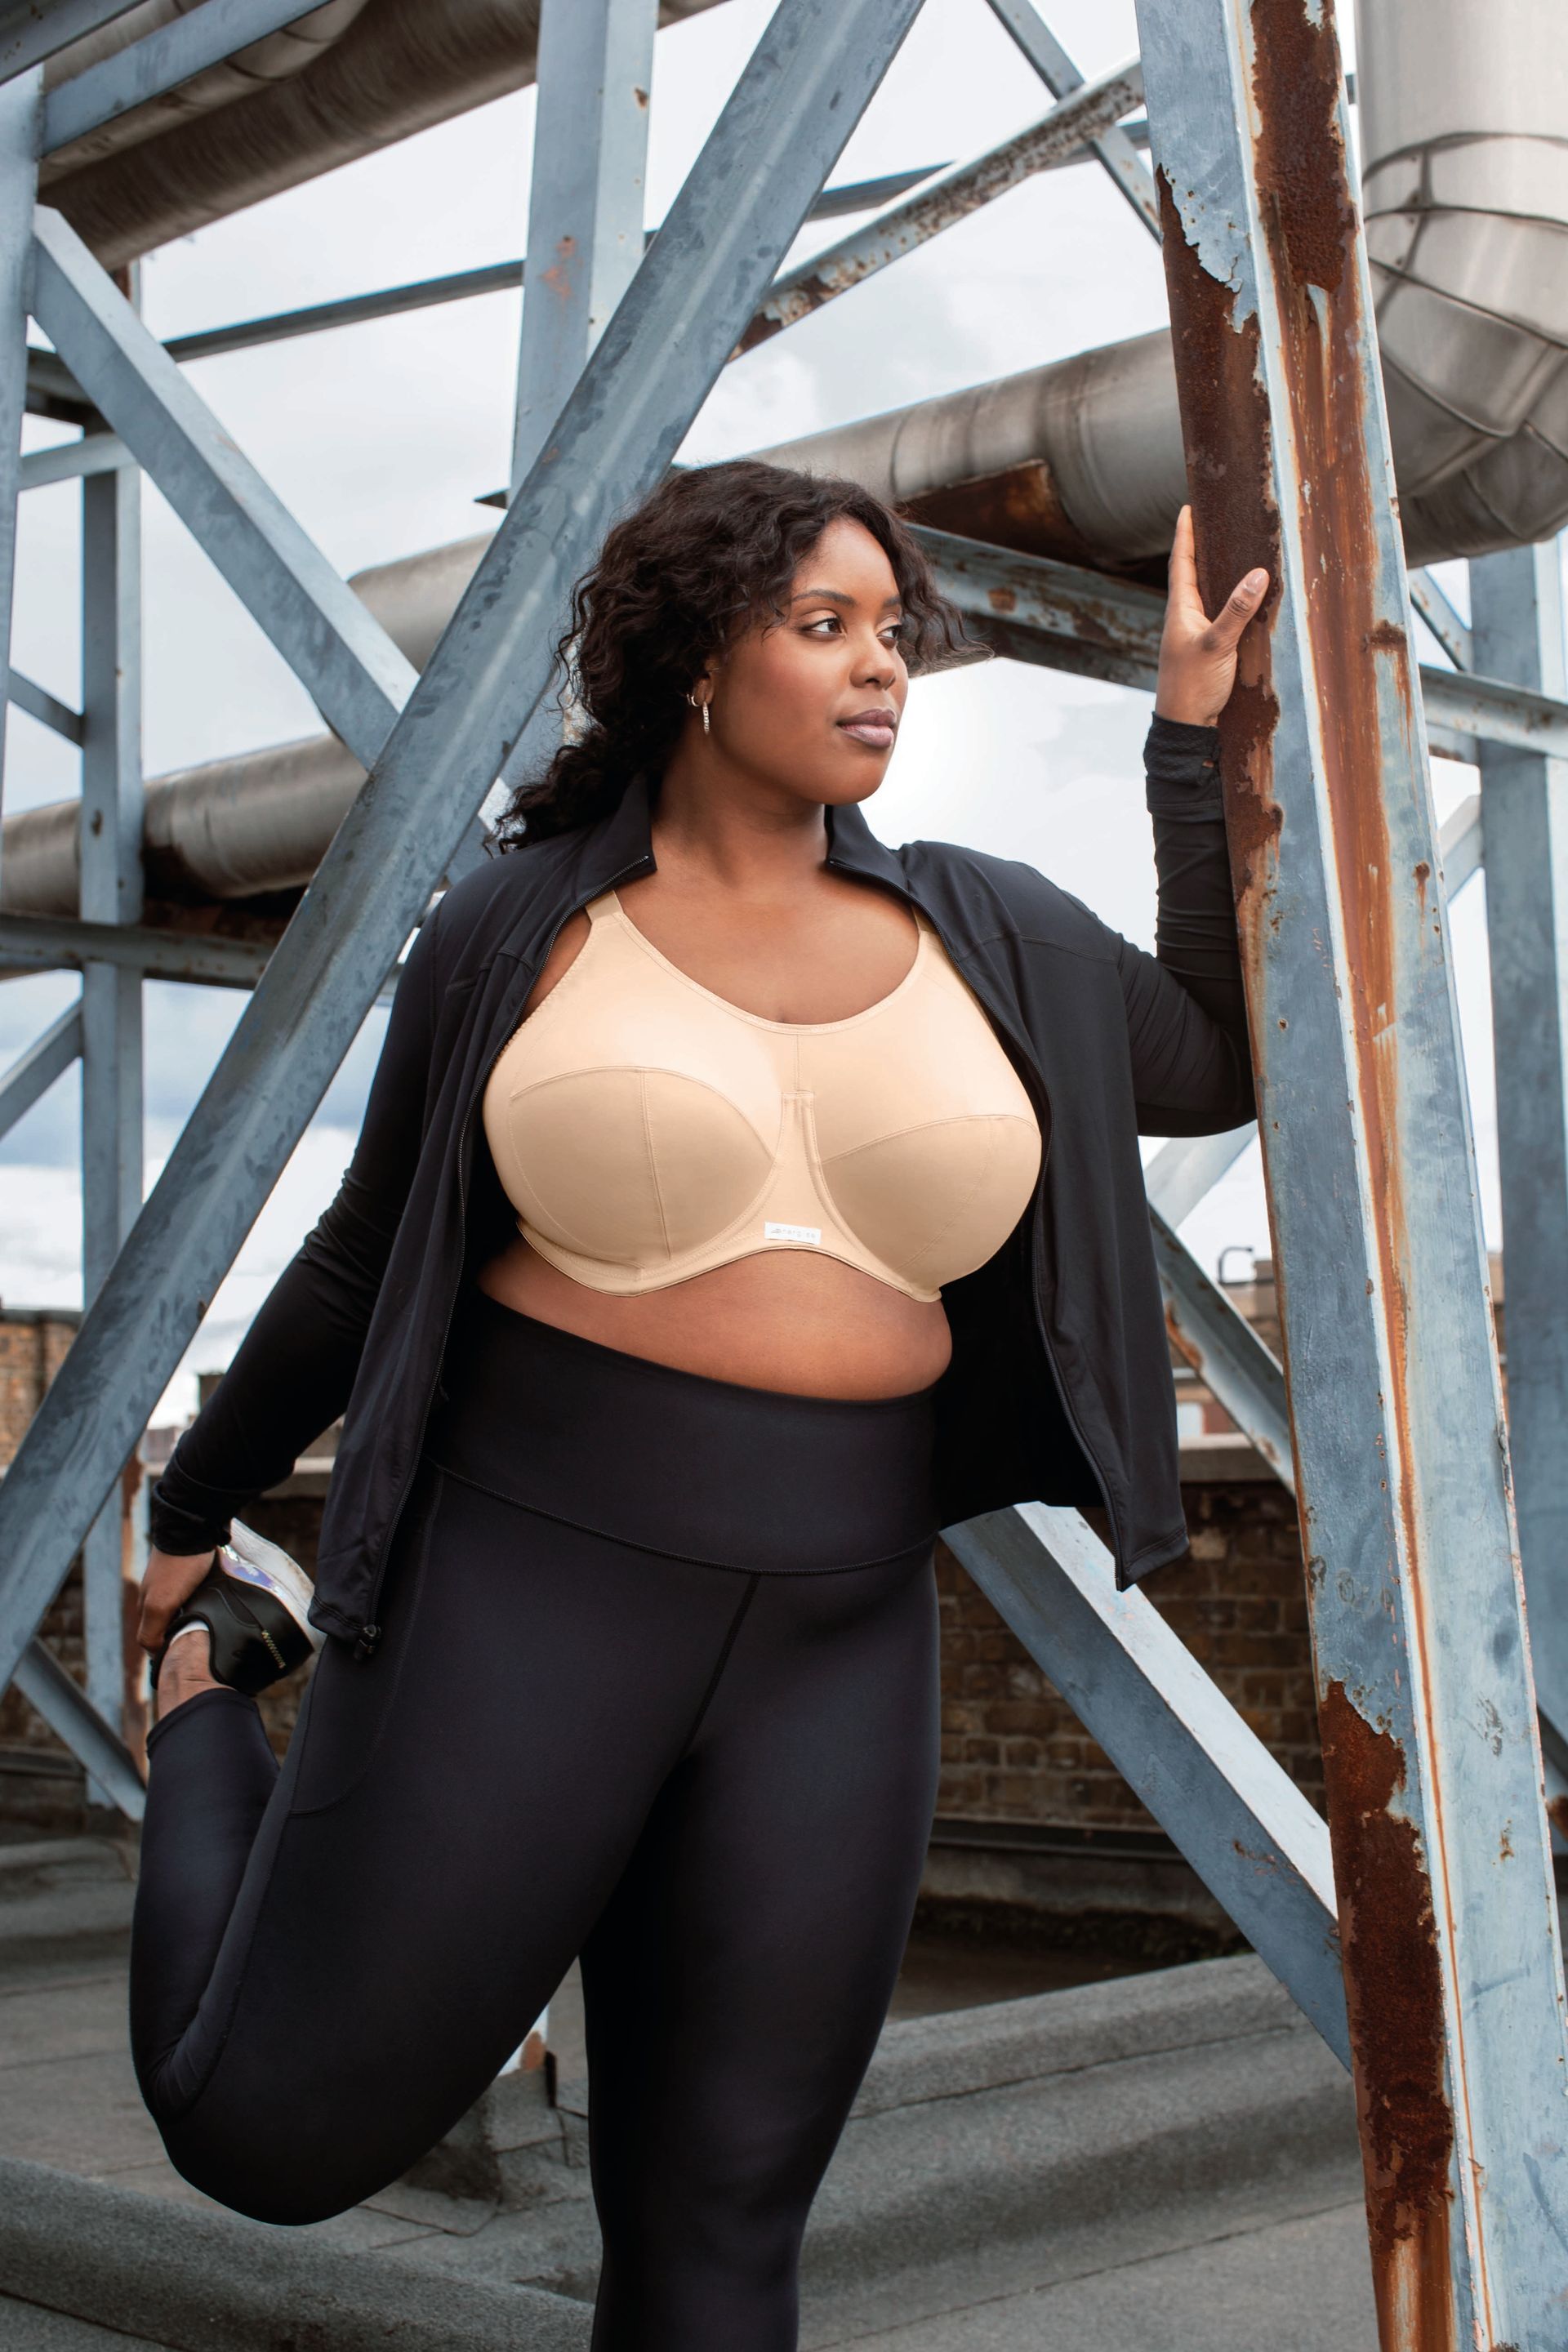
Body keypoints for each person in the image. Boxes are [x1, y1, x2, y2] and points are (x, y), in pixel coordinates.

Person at [131, 458, 1264, 2349]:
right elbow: (357, 1258)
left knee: (721, 2229)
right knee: (264, 2129)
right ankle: (199, 1726)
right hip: (531, 1583)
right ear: (688, 663)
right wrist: (192, 1516)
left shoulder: (994, 933)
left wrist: (1184, 746)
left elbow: (1220, 1056)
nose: (880, 668)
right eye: (824, 626)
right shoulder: (519, 927)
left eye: (893, 633)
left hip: (840, 1623)